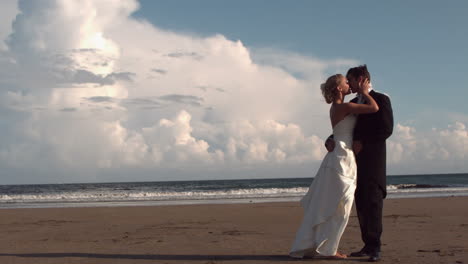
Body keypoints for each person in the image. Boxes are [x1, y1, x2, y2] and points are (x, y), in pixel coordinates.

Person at [289, 73, 378, 259]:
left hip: (342, 155)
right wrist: (365, 92)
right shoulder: (344, 106)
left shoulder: (339, 107)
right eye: (346, 82)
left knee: (334, 205)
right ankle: (327, 250)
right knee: (340, 206)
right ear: (339, 88)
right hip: (341, 158)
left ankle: (322, 247)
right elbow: (374, 107)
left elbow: (338, 131)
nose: (348, 84)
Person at [325, 65, 394, 262]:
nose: (350, 85)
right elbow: (344, 128)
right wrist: (331, 139)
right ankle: (367, 245)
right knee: (360, 203)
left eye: (351, 80)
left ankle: (375, 248)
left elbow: (386, 129)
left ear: (362, 79)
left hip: (373, 160)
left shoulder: (381, 99)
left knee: (373, 202)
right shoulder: (354, 102)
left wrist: (363, 141)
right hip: (352, 162)